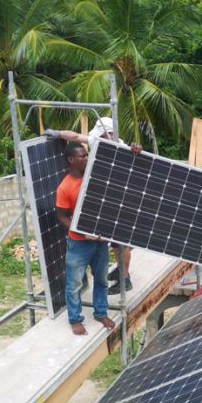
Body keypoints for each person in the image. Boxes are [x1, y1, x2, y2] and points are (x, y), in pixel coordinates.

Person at [44, 117, 138, 294]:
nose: (100, 137)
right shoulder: (100, 141)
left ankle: (125, 279)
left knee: (121, 241)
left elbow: (139, 162)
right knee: (114, 242)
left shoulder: (123, 148)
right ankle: (120, 270)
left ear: (110, 134)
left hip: (123, 198)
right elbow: (77, 136)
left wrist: (136, 150)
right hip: (108, 197)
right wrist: (58, 133)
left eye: (104, 134)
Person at [56, 143, 115, 335]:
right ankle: (75, 319)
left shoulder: (95, 176)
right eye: (82, 156)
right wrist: (80, 231)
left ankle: (101, 312)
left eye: (87, 155)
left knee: (102, 280)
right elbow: (62, 216)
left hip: (99, 242)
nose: (87, 158)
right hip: (78, 244)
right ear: (71, 160)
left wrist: (133, 150)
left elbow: (122, 170)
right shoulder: (65, 187)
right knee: (74, 284)